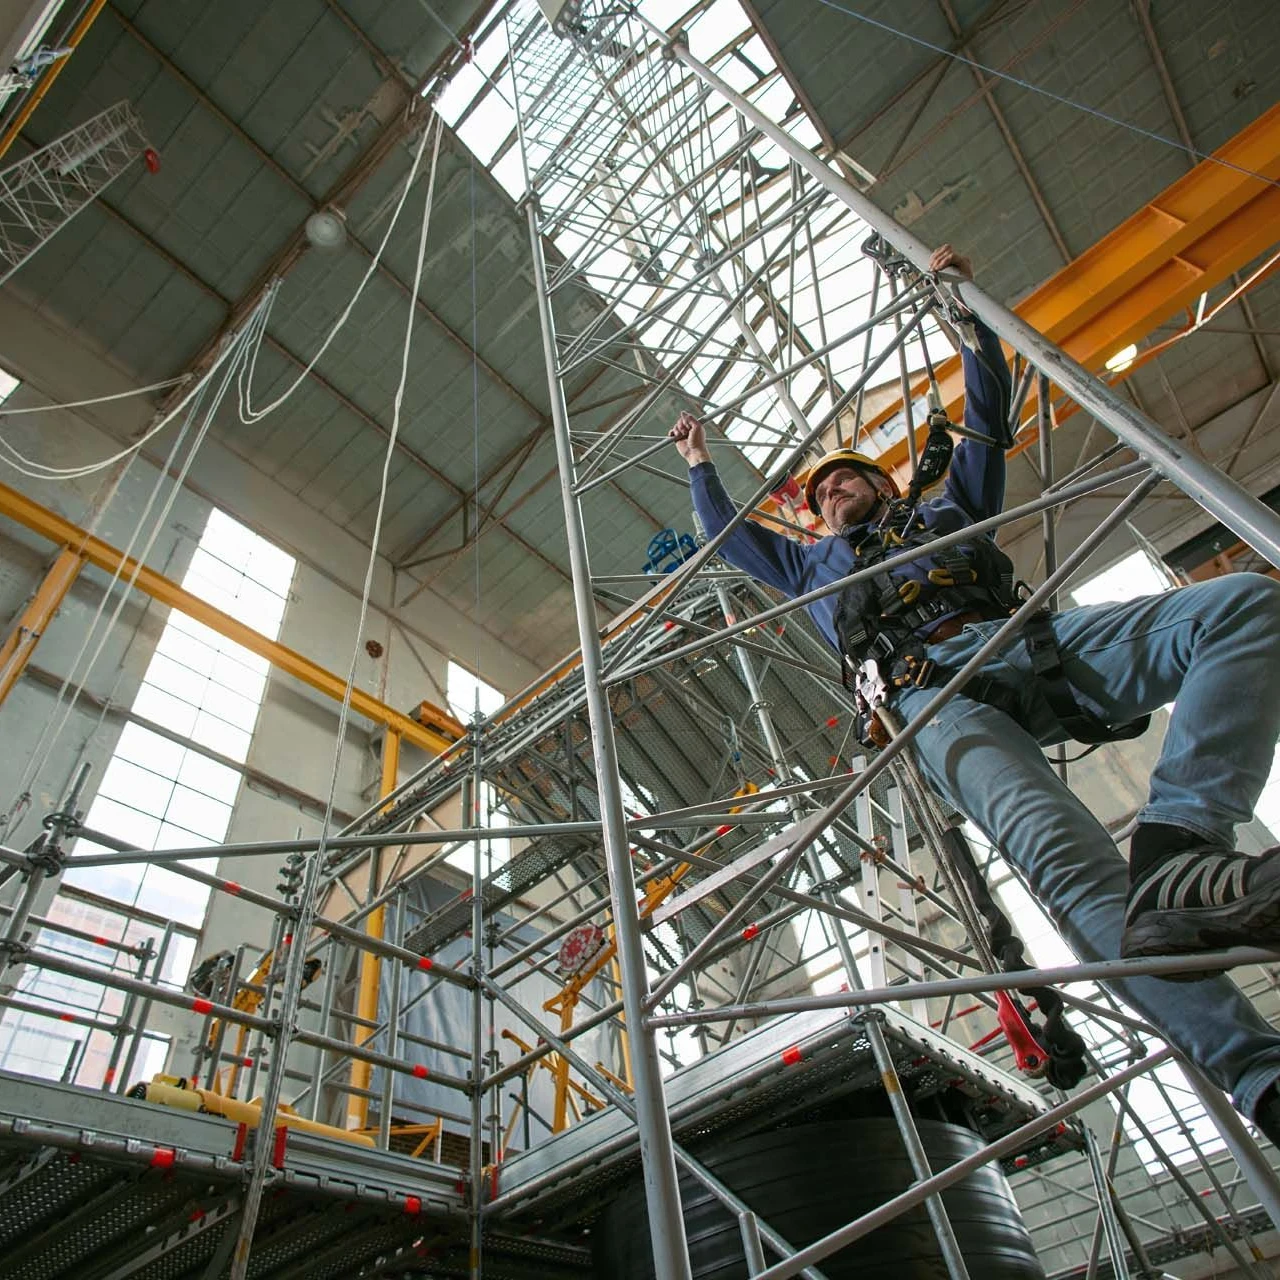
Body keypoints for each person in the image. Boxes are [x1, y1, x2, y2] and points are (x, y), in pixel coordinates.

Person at [669, 243, 1280, 1138]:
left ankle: (1182, 839)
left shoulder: (945, 508)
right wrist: (698, 464)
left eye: (852, 478)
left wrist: (963, 316)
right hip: (932, 698)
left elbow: (988, 415)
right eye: (825, 491)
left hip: (1030, 647)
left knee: (1243, 610)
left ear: (885, 482)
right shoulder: (807, 568)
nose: (838, 491)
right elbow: (728, 537)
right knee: (1069, 868)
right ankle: (1259, 1073)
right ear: (813, 516)